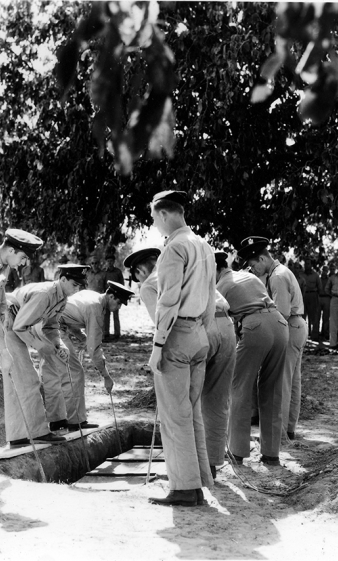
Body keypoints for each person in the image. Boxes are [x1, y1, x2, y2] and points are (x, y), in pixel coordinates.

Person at [128, 247, 236, 479]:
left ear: (140, 270)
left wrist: (158, 355)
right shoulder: (188, 270)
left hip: (189, 335)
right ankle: (210, 467)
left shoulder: (150, 284)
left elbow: (162, 326)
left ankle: (185, 478)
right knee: (216, 399)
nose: (138, 281)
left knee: (180, 408)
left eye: (135, 276)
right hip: (224, 327)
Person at [146, 190, 216, 507]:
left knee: (175, 417)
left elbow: (168, 302)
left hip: (176, 336)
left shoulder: (174, 248)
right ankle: (199, 482)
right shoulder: (204, 245)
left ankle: (185, 489)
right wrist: (202, 332)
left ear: (163, 214)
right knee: (191, 413)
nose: (155, 225)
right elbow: (212, 299)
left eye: (154, 218)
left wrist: (158, 345)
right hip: (200, 333)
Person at [0, 229, 52, 448]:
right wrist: (1, 347)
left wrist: (6, 314)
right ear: (10, 250)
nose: (23, 264)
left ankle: (20, 436)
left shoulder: (3, 263)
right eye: (23, 257)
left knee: (19, 376)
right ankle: (23, 435)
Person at [217, 252, 288, 466]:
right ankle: (271, 454)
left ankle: (236, 452)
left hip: (255, 327)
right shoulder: (249, 277)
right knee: (272, 390)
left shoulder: (220, 287)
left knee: (239, 387)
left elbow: (218, 324)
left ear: (215, 269)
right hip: (280, 324)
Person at [5, 265, 90, 444]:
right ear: (63, 279)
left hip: (23, 323)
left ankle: (38, 429)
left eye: (80, 286)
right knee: (28, 379)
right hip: (10, 320)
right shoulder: (45, 294)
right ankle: (34, 434)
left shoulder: (61, 297)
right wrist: (40, 346)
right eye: (75, 284)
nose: (77, 289)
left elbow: (51, 326)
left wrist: (59, 346)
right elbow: (19, 326)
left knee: (39, 374)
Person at [240, 236, 306, 442]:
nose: (253, 270)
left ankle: (279, 434)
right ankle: (288, 429)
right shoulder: (279, 272)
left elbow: (282, 312)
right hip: (297, 326)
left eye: (253, 265)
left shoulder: (277, 276)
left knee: (281, 382)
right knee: (292, 381)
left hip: (289, 326)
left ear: (261, 259)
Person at [53, 281, 133, 430]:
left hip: (49, 324)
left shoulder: (92, 296)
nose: (119, 308)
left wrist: (84, 339)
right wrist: (106, 377)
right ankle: (75, 422)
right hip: (54, 328)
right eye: (119, 303)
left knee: (54, 374)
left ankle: (55, 420)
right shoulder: (96, 309)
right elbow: (94, 350)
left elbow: (72, 319)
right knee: (75, 373)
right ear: (110, 296)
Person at [103, 254, 125, 340]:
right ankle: (106, 333)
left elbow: (122, 284)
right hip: (107, 296)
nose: (110, 263)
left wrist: (121, 296)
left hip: (116, 296)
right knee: (106, 315)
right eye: (108, 261)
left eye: (111, 261)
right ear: (106, 262)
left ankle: (117, 334)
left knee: (116, 315)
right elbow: (102, 284)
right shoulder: (104, 272)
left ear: (114, 262)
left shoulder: (118, 272)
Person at [301, 257, 322, 341]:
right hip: (303, 296)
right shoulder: (301, 275)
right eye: (305, 264)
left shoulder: (316, 275)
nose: (307, 265)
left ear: (311, 265)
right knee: (302, 316)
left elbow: (319, 287)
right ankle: (303, 335)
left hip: (313, 296)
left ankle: (314, 335)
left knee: (313, 316)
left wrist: (318, 298)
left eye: (308, 264)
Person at [318, 263, 331, 342]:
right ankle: (316, 334)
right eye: (323, 270)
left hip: (327, 298)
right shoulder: (318, 279)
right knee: (317, 317)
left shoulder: (329, 279)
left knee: (326, 317)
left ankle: (325, 334)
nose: (324, 272)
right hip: (319, 297)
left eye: (326, 270)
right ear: (321, 270)